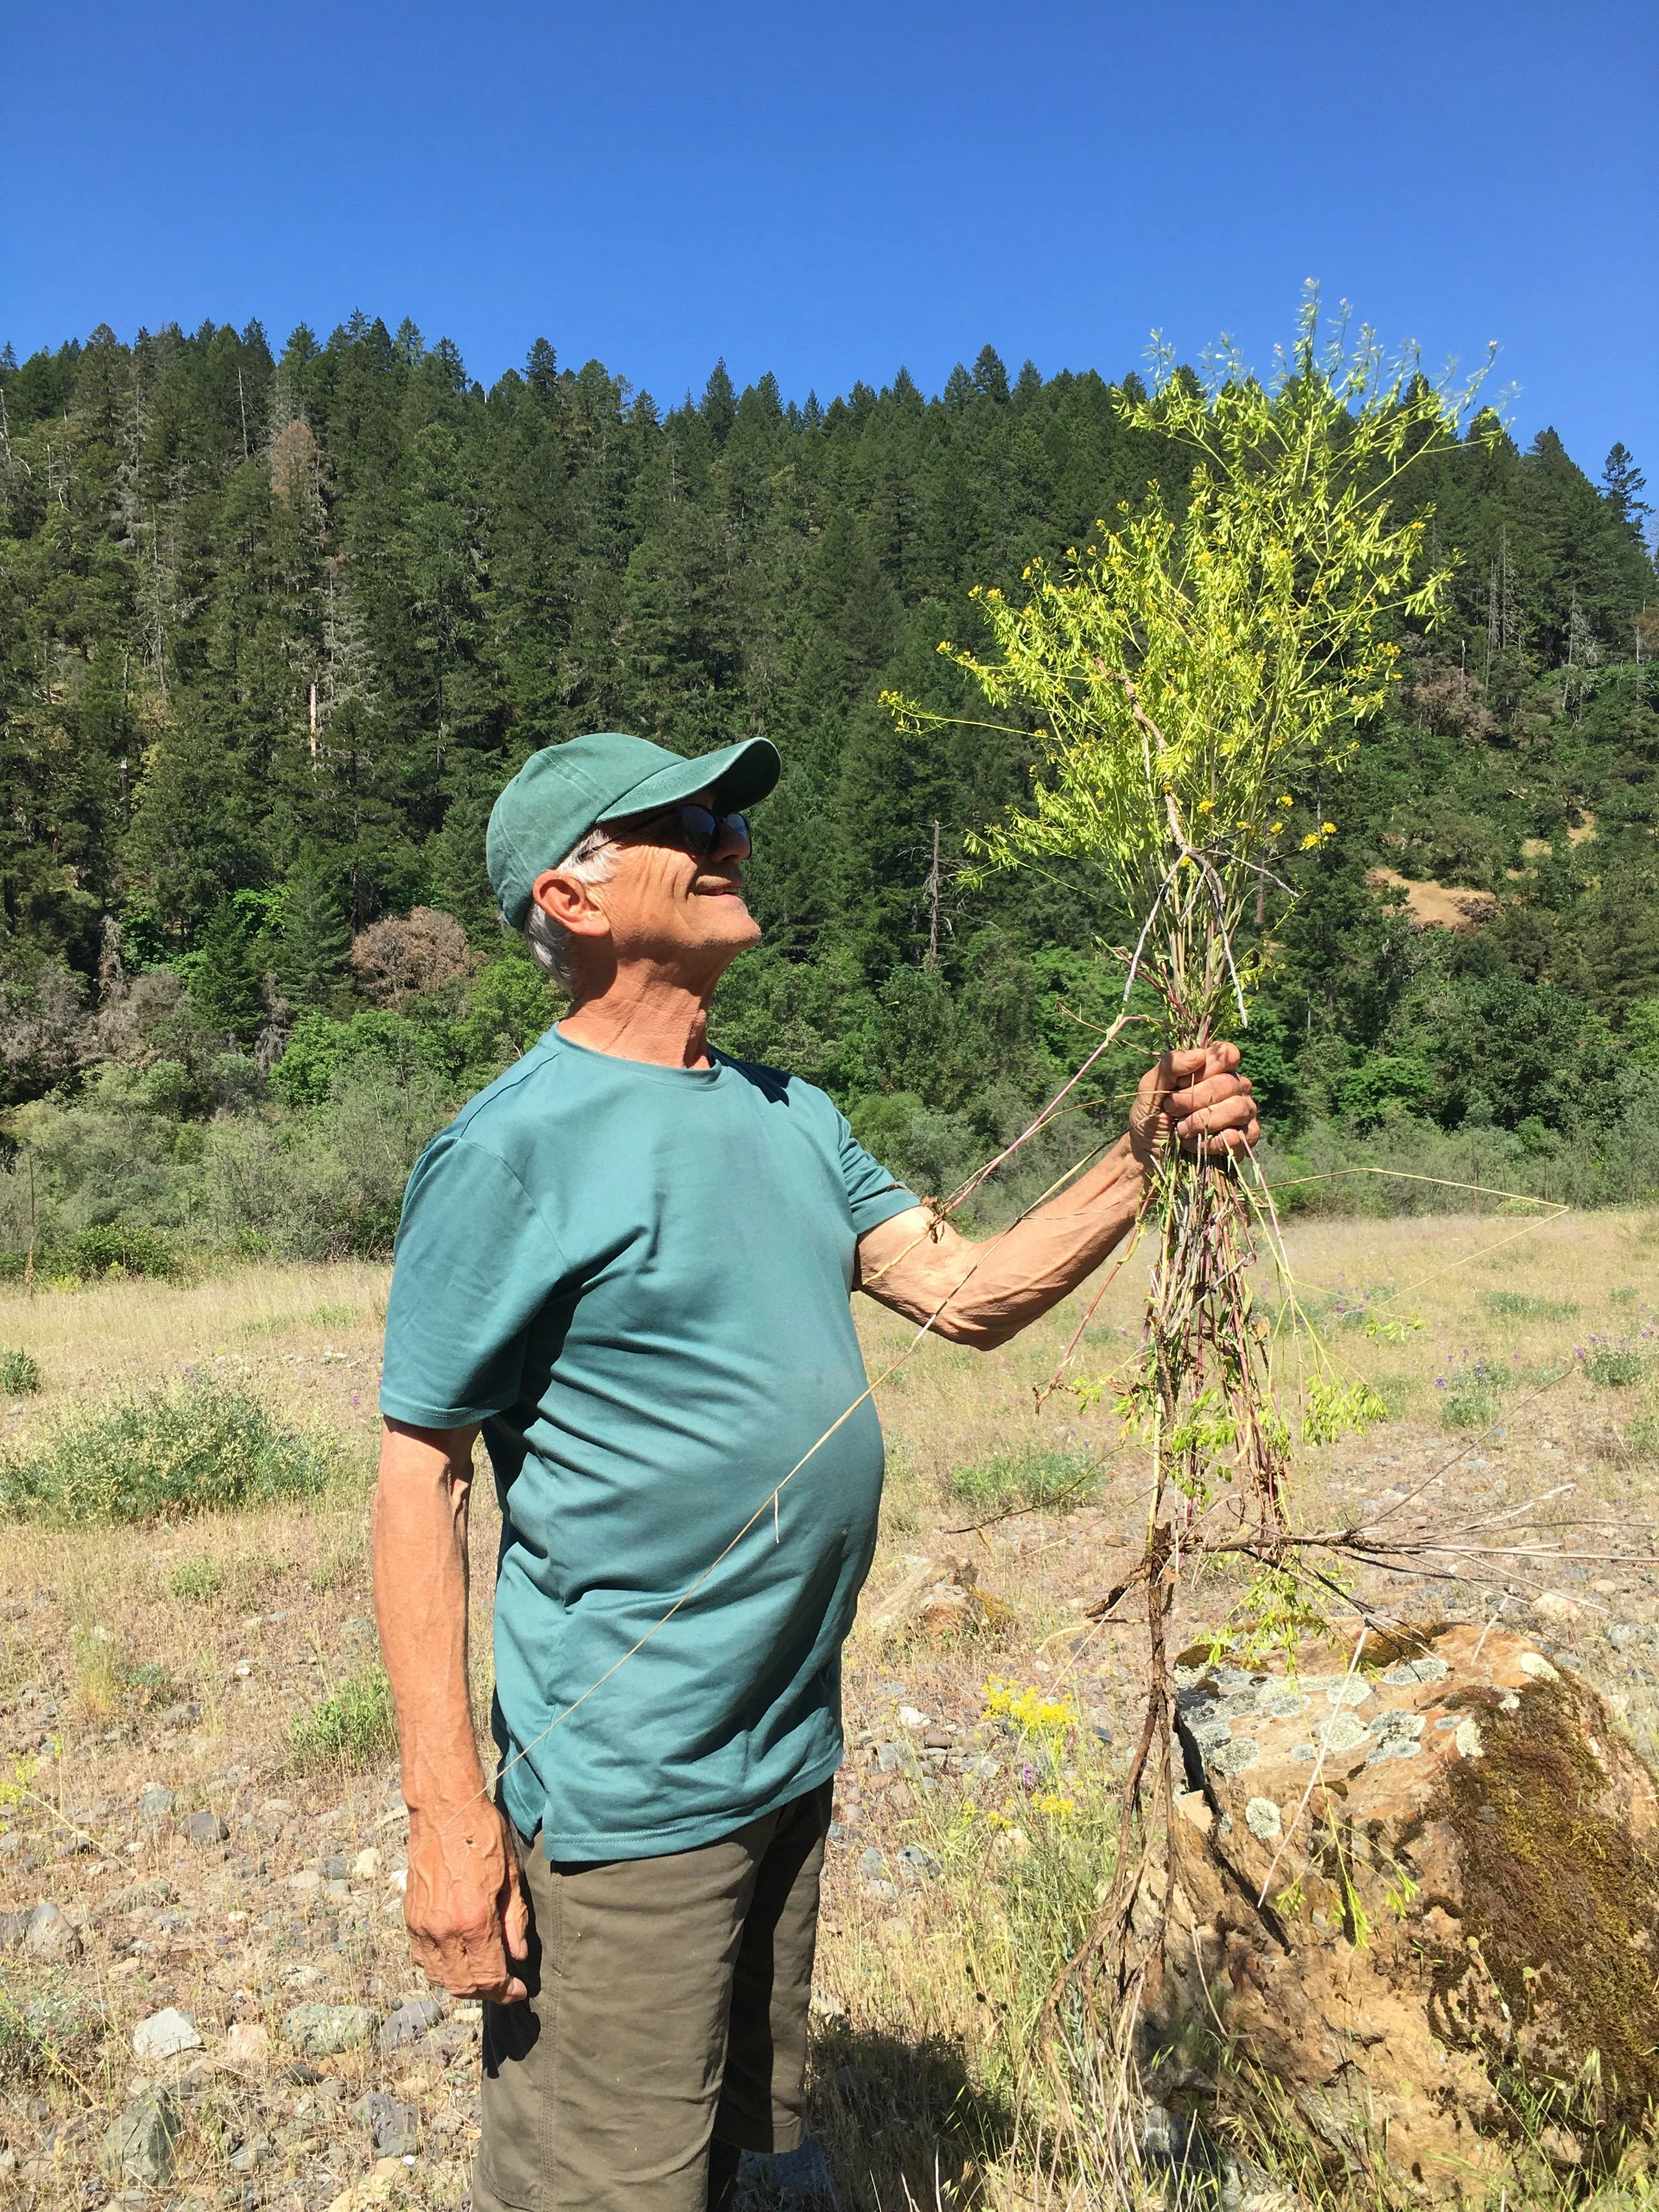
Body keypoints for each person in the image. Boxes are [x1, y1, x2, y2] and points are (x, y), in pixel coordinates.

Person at [373, 731, 1258, 2212]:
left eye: (728, 811)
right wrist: (447, 1820)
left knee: (753, 2148)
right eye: (685, 819)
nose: (730, 834)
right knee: (603, 2182)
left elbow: (968, 1294)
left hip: (784, 1754)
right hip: (623, 1789)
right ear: (572, 900)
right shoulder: (508, 1151)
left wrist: (1138, 1154)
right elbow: (422, 1477)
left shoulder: (792, 1112)